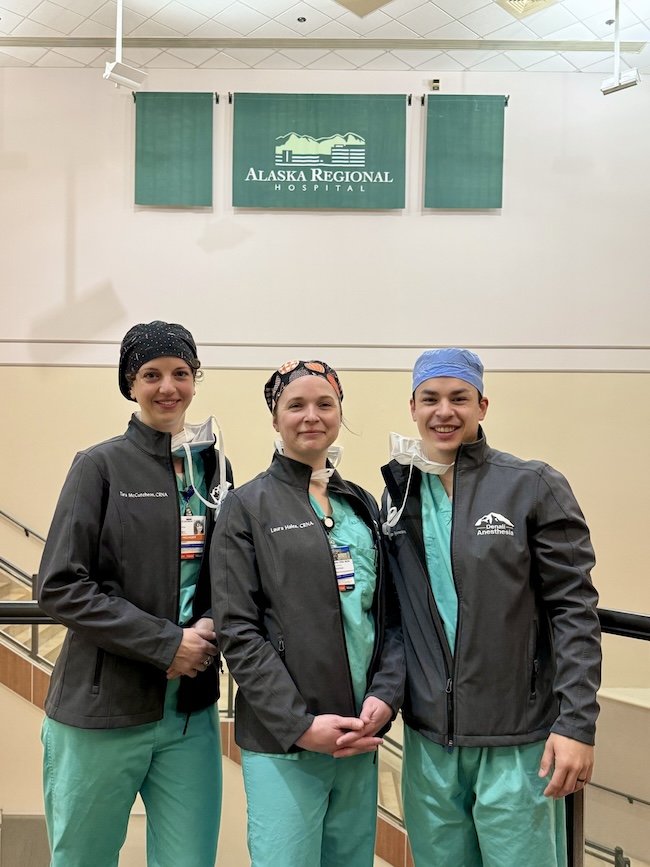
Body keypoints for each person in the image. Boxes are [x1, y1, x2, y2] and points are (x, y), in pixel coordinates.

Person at [381, 348, 601, 867]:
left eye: (459, 398)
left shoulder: (531, 485)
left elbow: (575, 612)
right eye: (430, 399)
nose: (444, 412)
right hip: (430, 742)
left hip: (517, 741)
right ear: (412, 406)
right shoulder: (399, 496)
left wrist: (577, 724)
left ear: (482, 405)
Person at [38, 320, 232, 867]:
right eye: (151, 374)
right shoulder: (98, 466)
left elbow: (229, 573)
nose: (168, 386)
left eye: (180, 373)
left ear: (195, 378)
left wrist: (214, 626)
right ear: (130, 383)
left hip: (189, 716)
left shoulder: (215, 467)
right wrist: (165, 644)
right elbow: (59, 586)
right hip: (102, 711)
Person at [211, 360, 404, 867]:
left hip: (359, 734)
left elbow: (389, 619)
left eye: (325, 404)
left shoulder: (361, 504)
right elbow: (237, 629)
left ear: (340, 412)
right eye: (295, 405)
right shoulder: (247, 506)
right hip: (286, 743)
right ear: (275, 418)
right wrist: (299, 725)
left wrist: (384, 698)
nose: (311, 416)